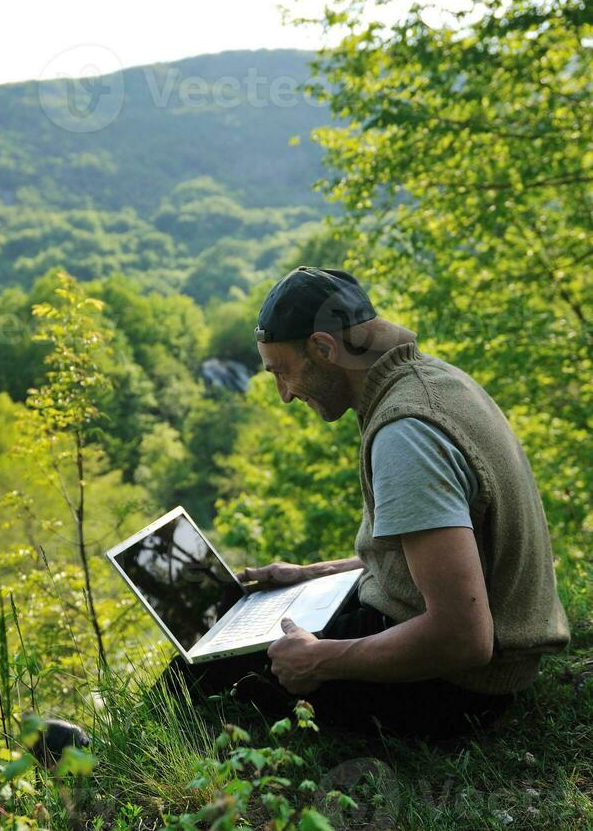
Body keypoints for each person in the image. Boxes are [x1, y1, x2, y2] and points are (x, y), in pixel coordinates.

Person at [167, 266, 570, 739]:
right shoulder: (436, 380)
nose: (285, 396)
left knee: (192, 679)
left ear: (324, 348)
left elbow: (464, 639)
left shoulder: (406, 437)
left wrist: (321, 661)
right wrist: (313, 574)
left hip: (459, 688)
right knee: (229, 631)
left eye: (283, 372)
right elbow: (435, 561)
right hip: (469, 651)